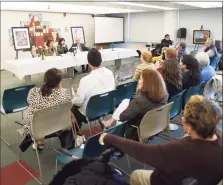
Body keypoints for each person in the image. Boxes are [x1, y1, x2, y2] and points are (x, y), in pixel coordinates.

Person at [99, 95, 222, 185]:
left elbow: (141, 151)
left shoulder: (182, 149)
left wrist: (109, 137)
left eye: (184, 114)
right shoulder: (219, 137)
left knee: (136, 175)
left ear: (190, 126)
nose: (183, 117)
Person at [100, 69, 168, 140]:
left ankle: (114, 135)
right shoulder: (164, 97)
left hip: (135, 133)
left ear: (147, 83)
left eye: (141, 79)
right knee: (126, 101)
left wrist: (127, 108)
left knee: (123, 110)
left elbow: (123, 117)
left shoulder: (138, 100)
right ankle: (110, 122)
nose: (138, 82)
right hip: (155, 128)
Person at [22, 68, 71, 149]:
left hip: (36, 128)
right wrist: (61, 89)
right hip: (58, 125)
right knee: (47, 114)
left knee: (36, 114)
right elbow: (69, 103)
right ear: (59, 82)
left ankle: (39, 140)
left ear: (45, 79)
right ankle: (40, 140)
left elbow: (29, 101)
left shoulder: (34, 92)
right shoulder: (64, 93)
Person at [71, 48, 115, 127]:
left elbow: (78, 102)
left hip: (89, 113)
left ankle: (77, 135)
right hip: (107, 107)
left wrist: (73, 98)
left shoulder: (85, 80)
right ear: (101, 60)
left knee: (73, 108)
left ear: (88, 63)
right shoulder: (110, 73)